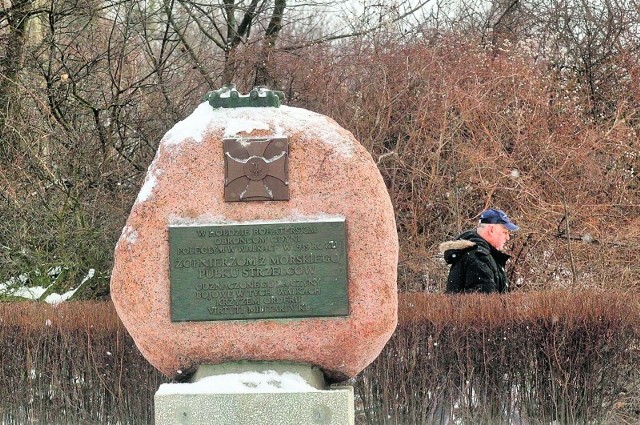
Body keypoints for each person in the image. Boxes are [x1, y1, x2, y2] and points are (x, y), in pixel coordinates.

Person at [440, 208, 519, 294]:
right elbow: (484, 303)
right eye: (504, 232)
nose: (508, 238)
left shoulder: (481, 255)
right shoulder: (479, 258)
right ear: (491, 230)